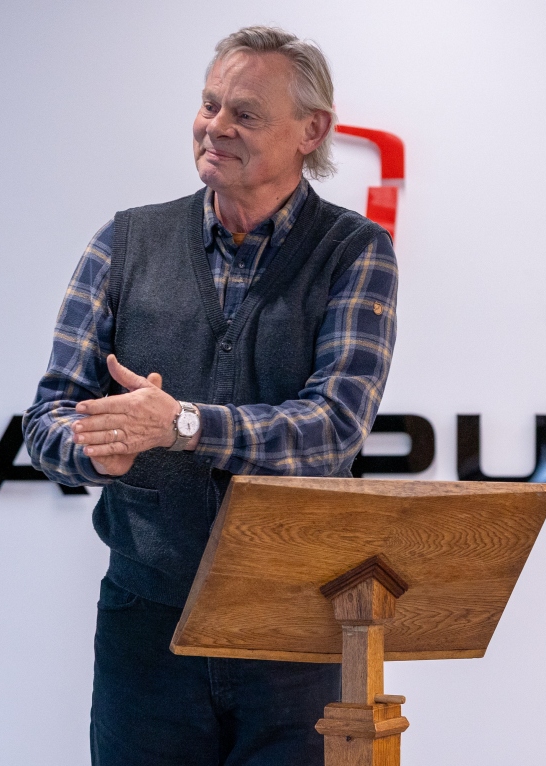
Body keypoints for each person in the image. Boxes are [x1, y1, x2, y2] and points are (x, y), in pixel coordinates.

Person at [23, 25, 398, 766]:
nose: (215, 126)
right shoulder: (122, 243)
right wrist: (102, 444)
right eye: (208, 103)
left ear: (311, 131)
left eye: (245, 113)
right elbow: (49, 420)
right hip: (146, 629)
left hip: (298, 631)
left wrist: (182, 424)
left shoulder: (354, 252)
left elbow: (333, 429)